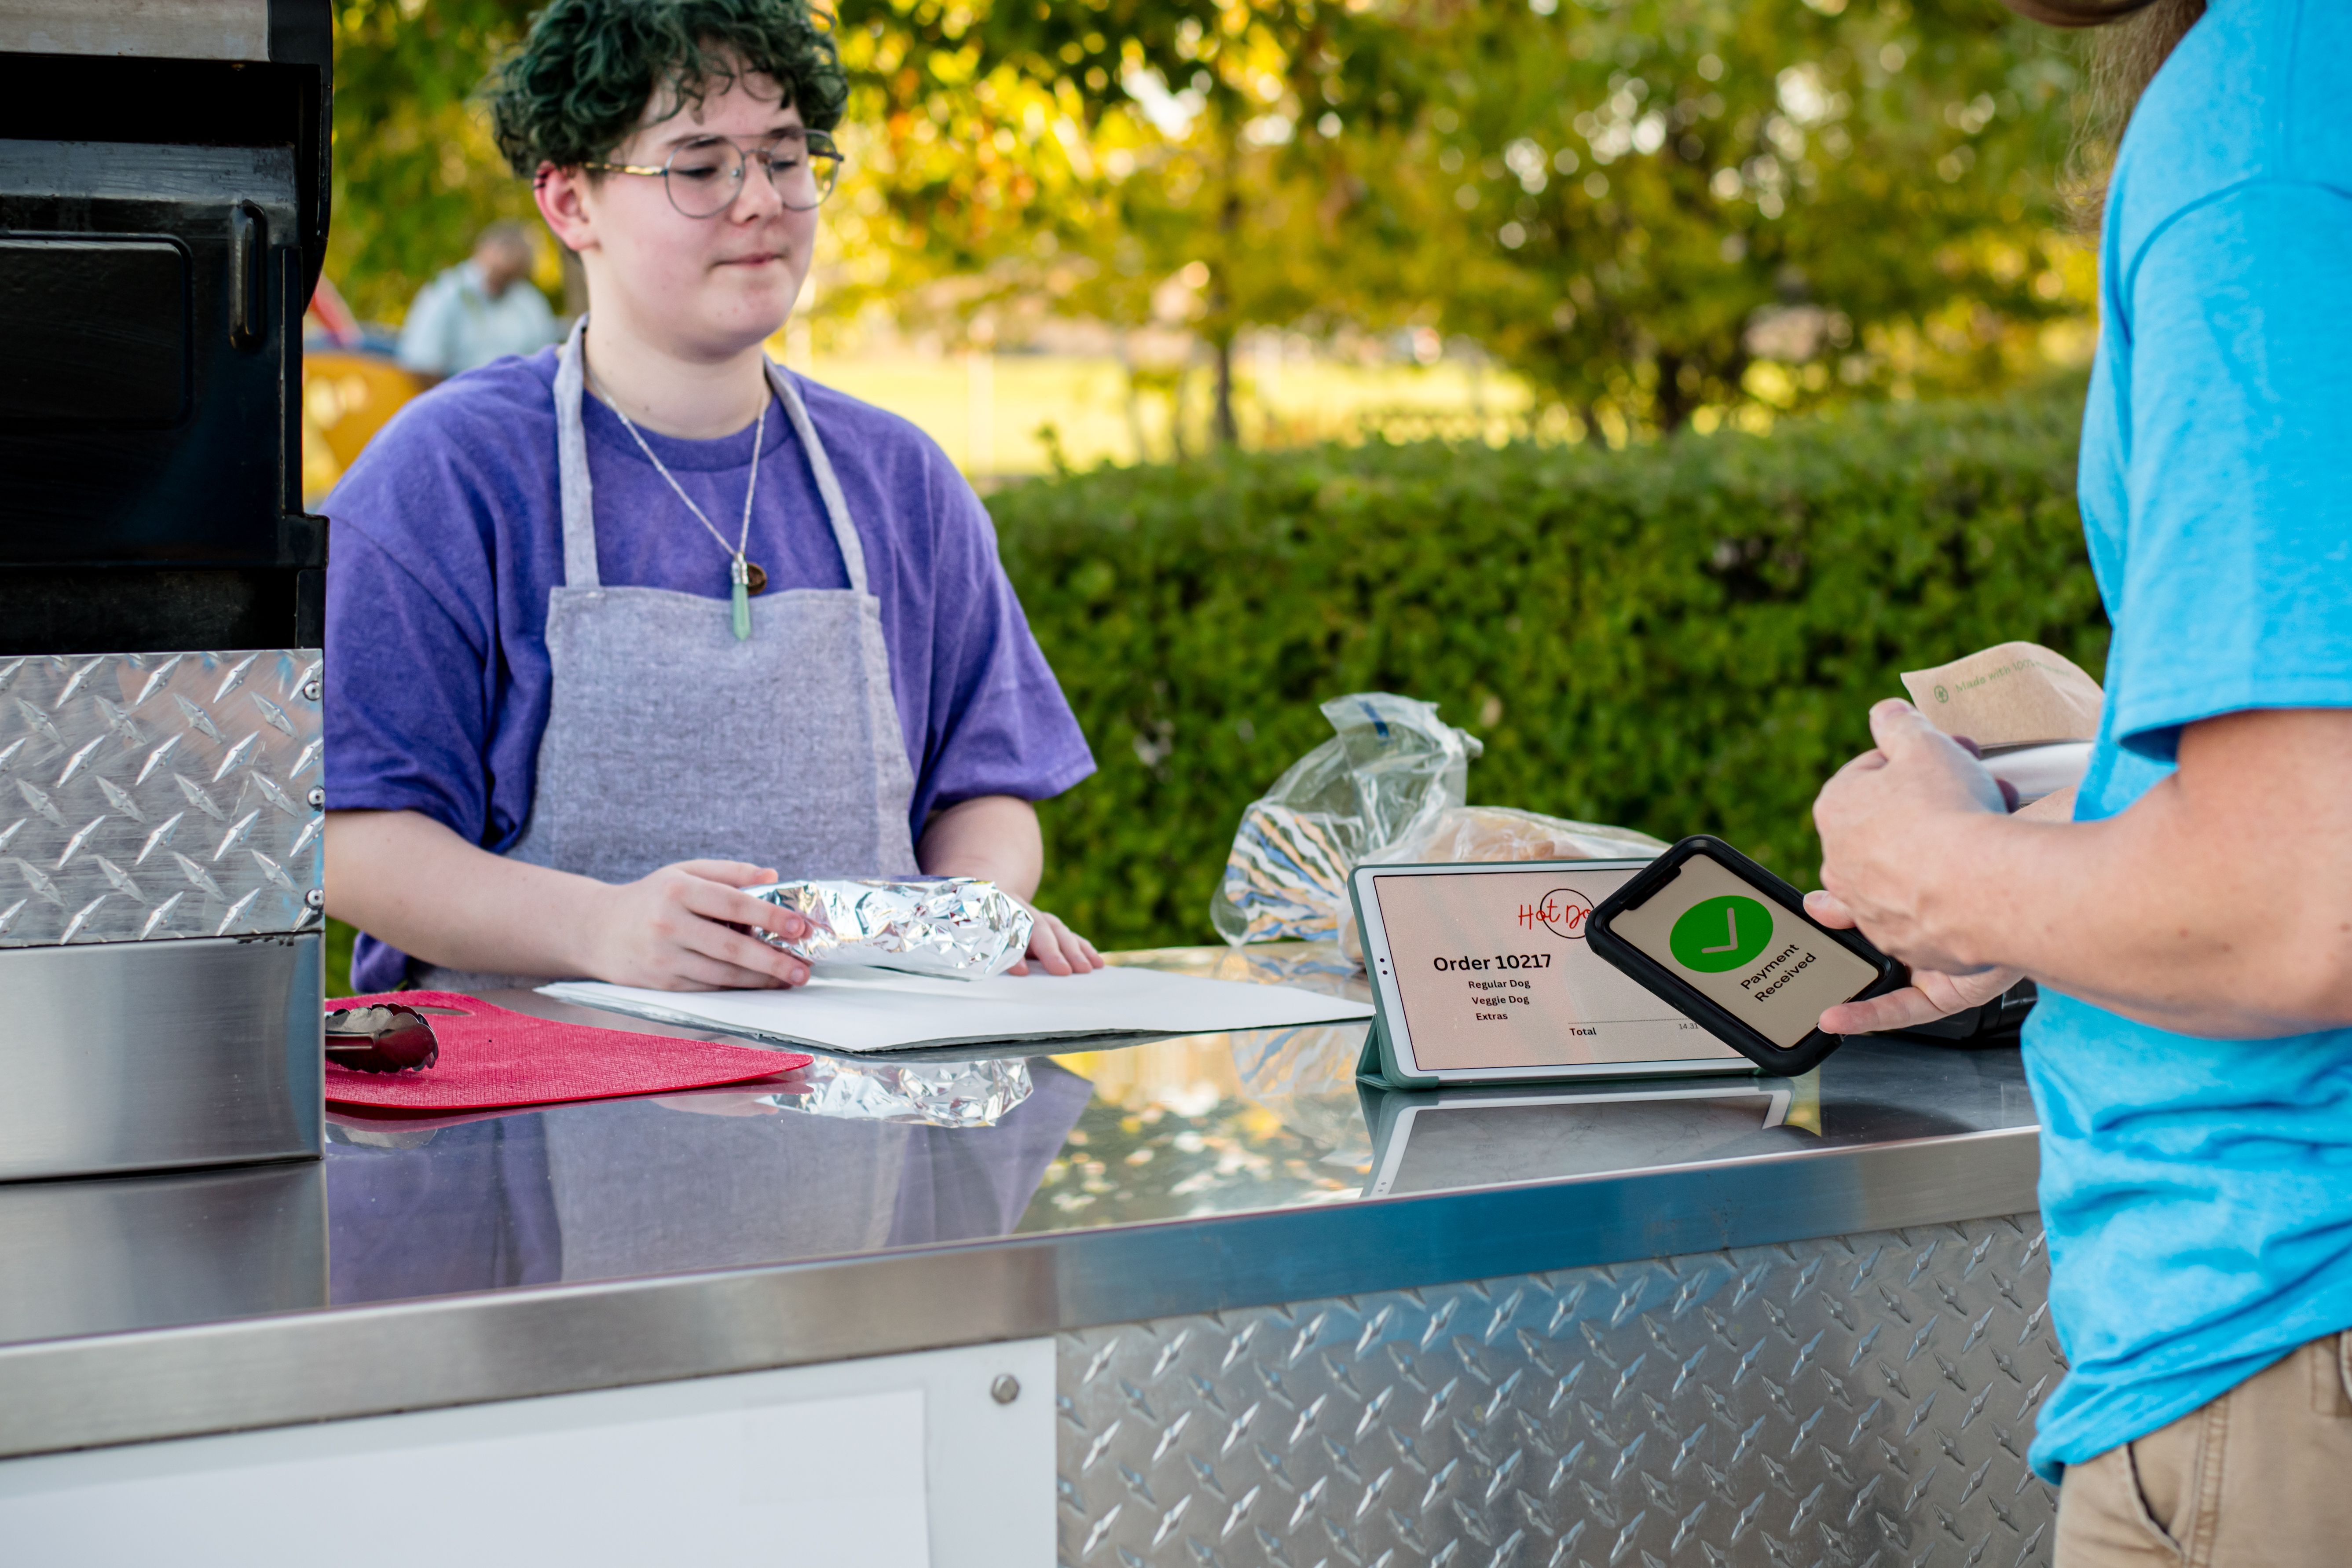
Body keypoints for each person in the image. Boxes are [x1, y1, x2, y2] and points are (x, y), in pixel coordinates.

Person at [1806, 1, 2352, 1562]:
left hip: (2279, 1336)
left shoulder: (2266, 123)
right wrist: (2083, 864)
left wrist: (1940, 872)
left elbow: (2285, 913)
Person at [322, 0, 1104, 995]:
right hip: (516, 1124)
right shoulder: (445, 476)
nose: (759, 202)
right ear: (567, 203)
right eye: (699, 167)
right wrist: (596, 927)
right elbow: (350, 837)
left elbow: (985, 786)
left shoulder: (900, 479)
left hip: (856, 1117)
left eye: (783, 158)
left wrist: (972, 910)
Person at [395, 221, 560, 381]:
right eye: (499, 273)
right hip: (455, 398)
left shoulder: (530, 302)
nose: (502, 282)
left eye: (511, 277)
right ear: (481, 251)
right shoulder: (445, 293)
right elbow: (421, 364)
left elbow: (545, 367)